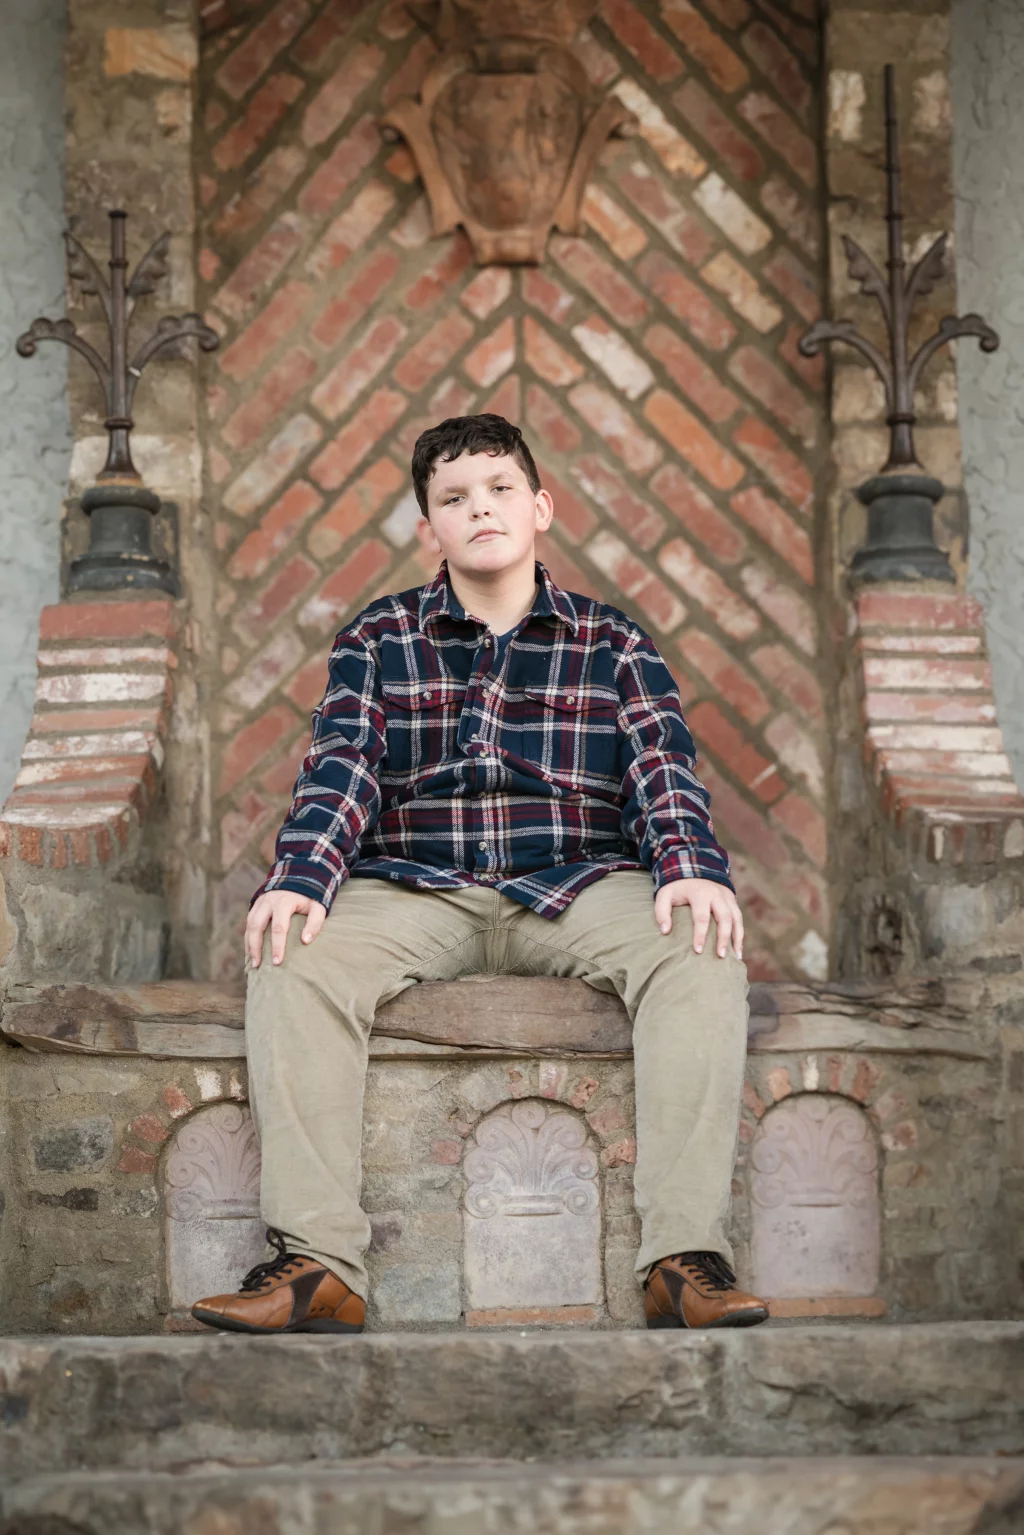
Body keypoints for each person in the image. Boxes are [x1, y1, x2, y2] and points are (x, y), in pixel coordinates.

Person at [191, 413, 768, 1336]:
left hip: (575, 882)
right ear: (430, 529)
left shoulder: (611, 643)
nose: (480, 508)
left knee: (698, 946)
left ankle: (682, 1259)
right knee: (293, 952)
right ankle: (319, 1266)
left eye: (500, 489)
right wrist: (300, 876)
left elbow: (662, 762)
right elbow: (341, 765)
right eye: (453, 499)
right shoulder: (379, 639)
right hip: (416, 883)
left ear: (541, 507)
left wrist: (689, 864)